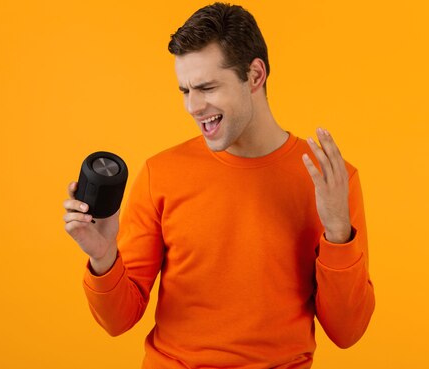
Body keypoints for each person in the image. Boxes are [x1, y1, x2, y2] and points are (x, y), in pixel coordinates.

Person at [63, 2, 375, 368]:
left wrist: (339, 231)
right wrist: (103, 257)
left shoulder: (331, 180)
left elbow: (347, 332)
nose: (193, 107)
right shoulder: (160, 173)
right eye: (185, 91)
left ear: (255, 75)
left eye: (207, 87)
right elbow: (117, 321)